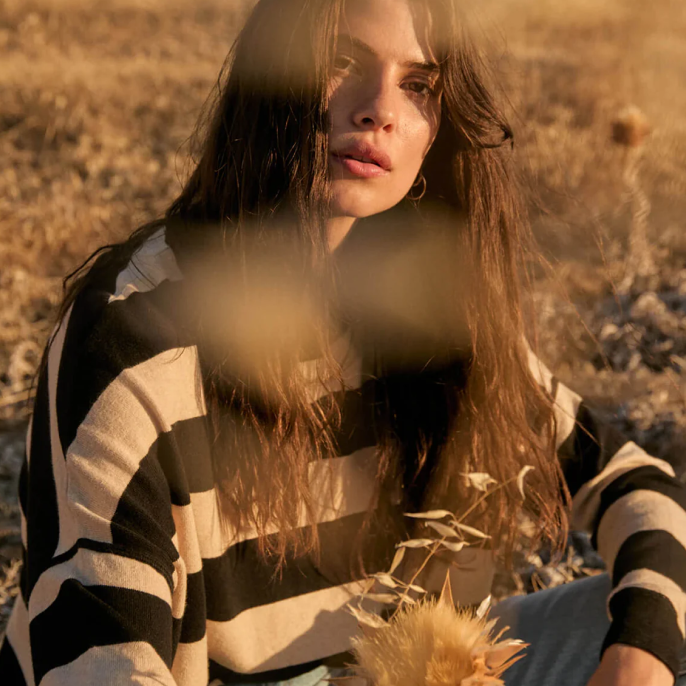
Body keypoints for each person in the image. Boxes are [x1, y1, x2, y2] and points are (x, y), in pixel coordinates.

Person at [1, 0, 684, 684]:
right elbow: (101, 665)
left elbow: (632, 482)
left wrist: (640, 658)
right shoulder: (133, 336)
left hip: (397, 672)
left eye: (418, 84)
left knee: (659, 615)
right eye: (341, 61)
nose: (380, 110)